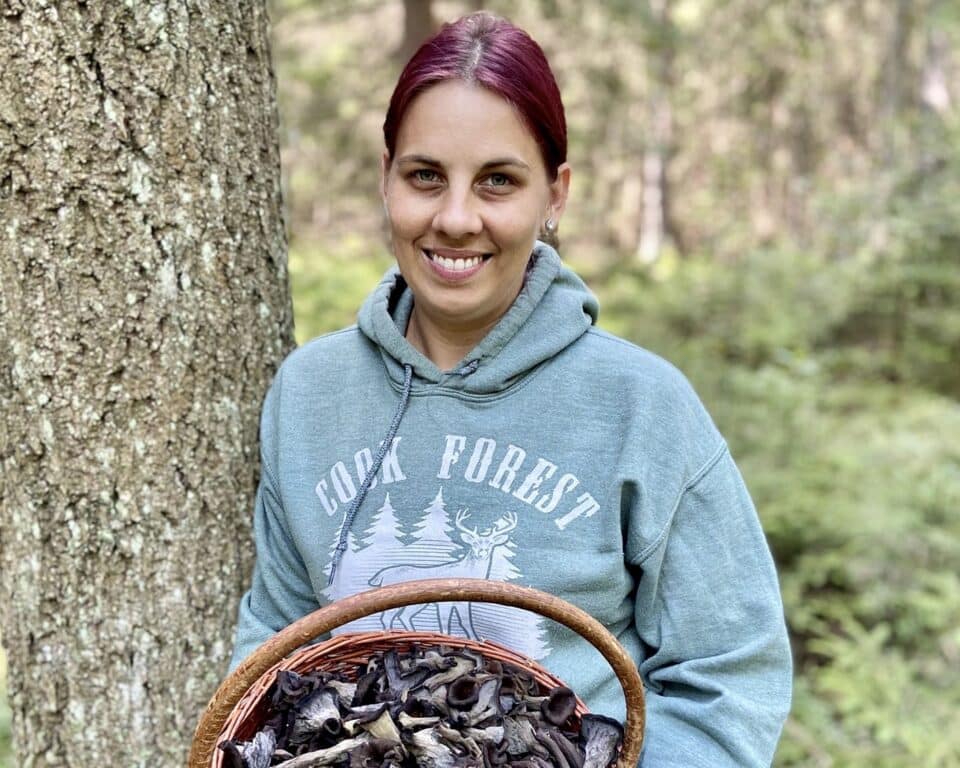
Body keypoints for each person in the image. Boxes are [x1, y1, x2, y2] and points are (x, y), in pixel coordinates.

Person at [229, 12, 792, 767]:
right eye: (425, 176)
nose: (456, 218)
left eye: (498, 180)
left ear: (554, 194)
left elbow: (730, 675)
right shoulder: (309, 396)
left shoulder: (641, 406)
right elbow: (275, 638)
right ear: (385, 179)